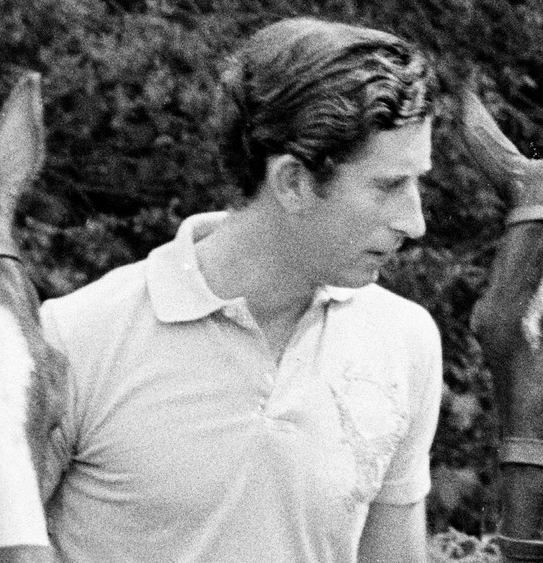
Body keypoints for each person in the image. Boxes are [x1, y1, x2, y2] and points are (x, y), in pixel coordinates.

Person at [37, 18, 442, 562]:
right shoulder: (76, 338)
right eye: (389, 185)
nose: (415, 221)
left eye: (418, 181)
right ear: (293, 182)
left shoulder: (406, 340)